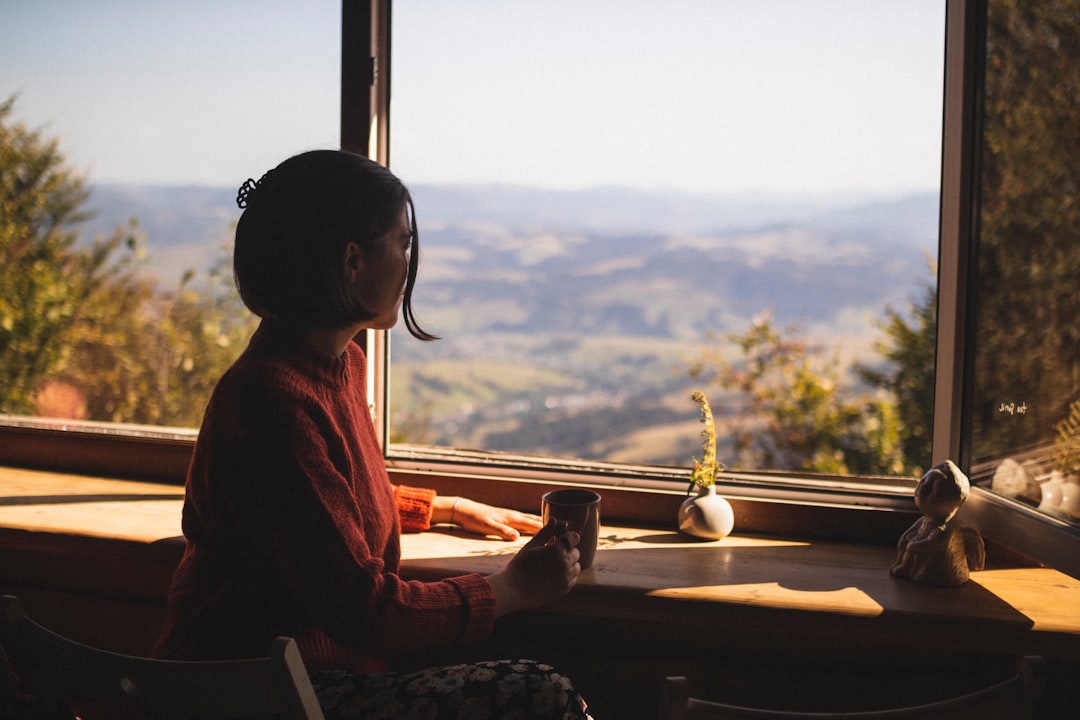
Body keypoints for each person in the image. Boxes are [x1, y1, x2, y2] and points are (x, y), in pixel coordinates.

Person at [152, 149, 591, 719]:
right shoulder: (272, 400)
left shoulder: (336, 367)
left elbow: (316, 513)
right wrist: (511, 590)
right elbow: (368, 612)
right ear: (353, 261)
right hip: (257, 695)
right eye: (403, 242)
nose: (411, 261)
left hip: (313, 683)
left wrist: (438, 508)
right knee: (539, 693)